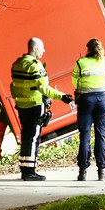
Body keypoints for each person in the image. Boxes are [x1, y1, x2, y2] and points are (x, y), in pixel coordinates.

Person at [10, 37, 72, 181]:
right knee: (33, 138)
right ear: (35, 48)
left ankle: (24, 169)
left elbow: (13, 86)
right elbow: (44, 88)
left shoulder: (17, 64)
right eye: (42, 48)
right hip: (35, 106)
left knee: (26, 137)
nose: (43, 51)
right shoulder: (36, 66)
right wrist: (63, 97)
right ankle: (30, 172)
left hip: (22, 106)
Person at [73, 38, 105, 181]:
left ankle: (82, 172)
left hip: (86, 100)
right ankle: (102, 172)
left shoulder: (80, 63)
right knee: (100, 135)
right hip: (102, 100)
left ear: (87, 49)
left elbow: (75, 81)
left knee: (85, 135)